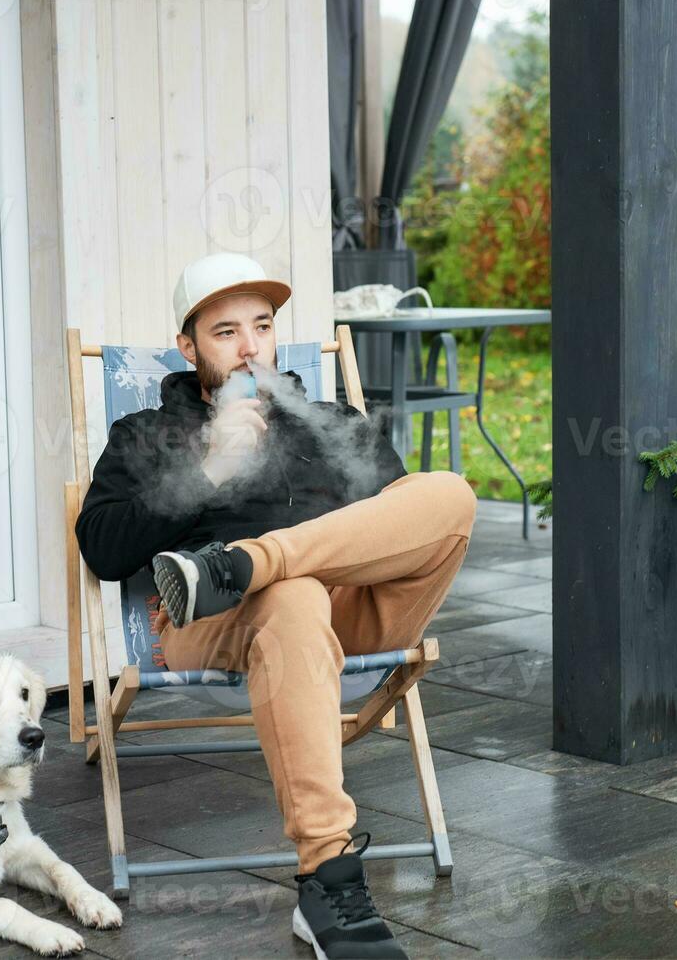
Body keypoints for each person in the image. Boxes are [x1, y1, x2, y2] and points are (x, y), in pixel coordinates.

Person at [75, 252, 476, 960]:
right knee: (290, 598)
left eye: (262, 326)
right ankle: (329, 877)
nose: (251, 346)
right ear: (188, 346)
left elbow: (402, 531)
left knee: (449, 494)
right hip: (213, 623)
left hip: (350, 612)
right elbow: (104, 549)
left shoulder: (329, 421)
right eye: (226, 331)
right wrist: (206, 473)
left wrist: (282, 554)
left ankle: (247, 564)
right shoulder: (147, 435)